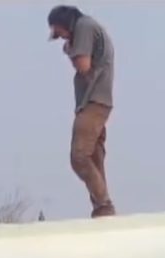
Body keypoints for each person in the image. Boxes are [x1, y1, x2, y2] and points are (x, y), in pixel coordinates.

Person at [47, 5, 116, 218]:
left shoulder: (84, 27)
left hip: (94, 102)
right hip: (94, 101)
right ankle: (102, 209)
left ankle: (104, 204)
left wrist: (70, 49)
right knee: (94, 155)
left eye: (60, 32)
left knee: (79, 156)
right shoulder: (89, 27)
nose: (61, 38)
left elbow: (83, 65)